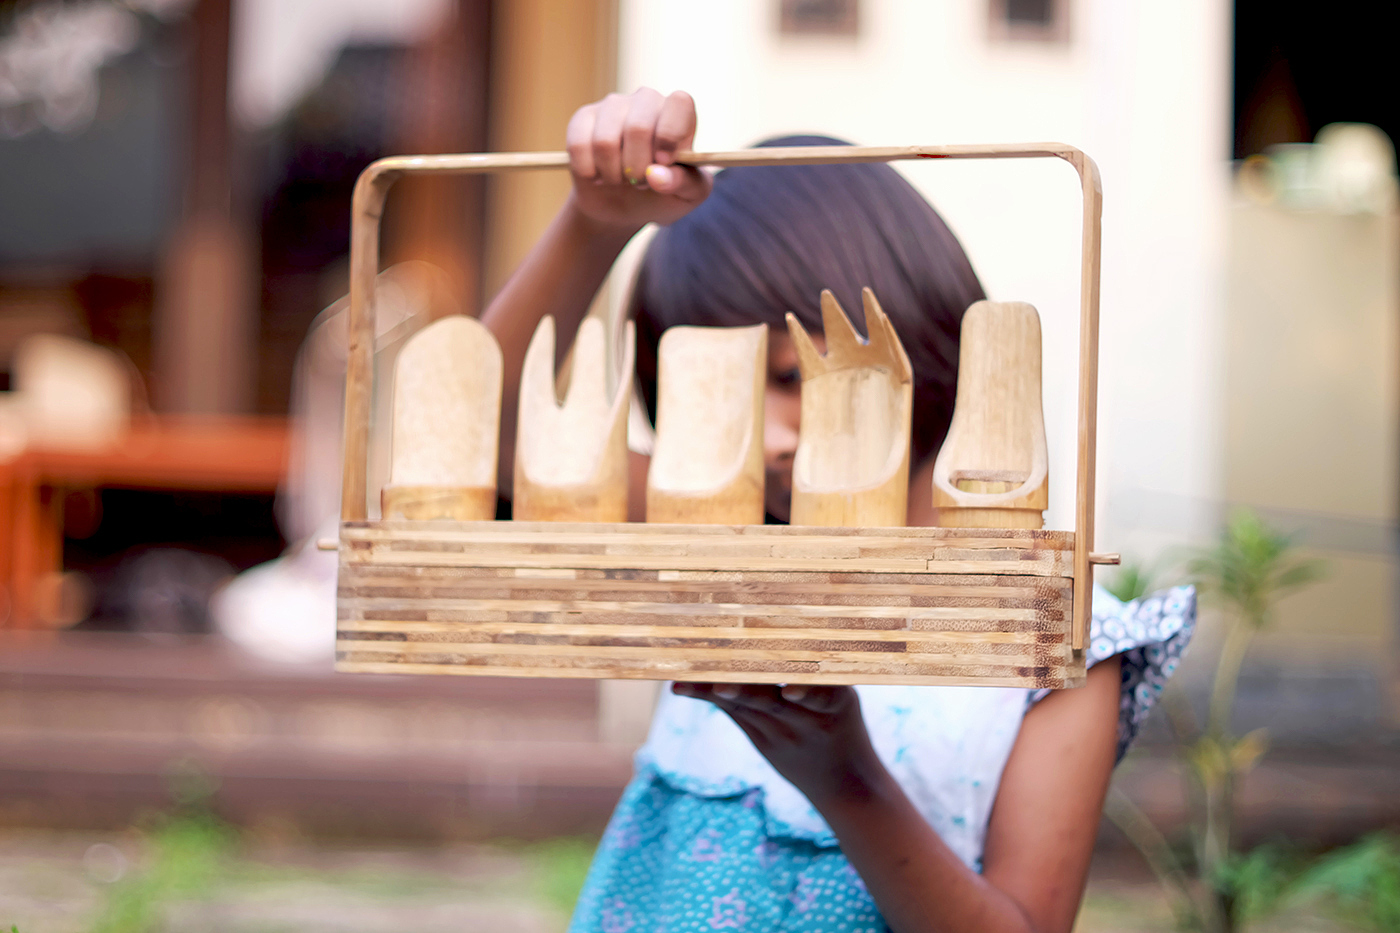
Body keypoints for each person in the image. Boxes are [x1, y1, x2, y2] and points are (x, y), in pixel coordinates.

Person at [480, 88, 1195, 933]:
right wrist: (593, 223)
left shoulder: (1053, 632)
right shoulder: (736, 535)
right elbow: (481, 441)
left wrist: (841, 773)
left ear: (913, 322)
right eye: (715, 403)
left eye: (788, 378)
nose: (769, 440)